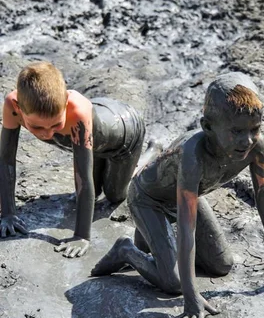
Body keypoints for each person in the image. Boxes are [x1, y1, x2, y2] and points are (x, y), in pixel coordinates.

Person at [91, 72, 264, 318]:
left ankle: (155, 245)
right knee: (173, 283)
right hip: (148, 199)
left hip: (188, 196)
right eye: (237, 131)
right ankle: (127, 250)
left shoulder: (255, 148)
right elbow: (188, 226)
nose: (248, 140)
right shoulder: (193, 154)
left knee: (222, 265)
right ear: (208, 127)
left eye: (255, 129)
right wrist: (191, 294)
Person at [0, 61, 160, 257]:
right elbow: (6, 159)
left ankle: (152, 152)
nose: (48, 134)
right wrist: (8, 214)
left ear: (66, 103)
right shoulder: (12, 105)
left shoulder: (78, 113)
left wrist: (81, 236)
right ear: (19, 108)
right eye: (38, 128)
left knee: (115, 195)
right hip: (96, 137)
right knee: (94, 190)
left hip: (125, 134)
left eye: (56, 125)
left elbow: (83, 178)